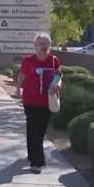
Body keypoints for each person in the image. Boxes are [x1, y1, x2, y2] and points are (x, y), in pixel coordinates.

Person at [16, 34, 62, 174]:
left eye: (46, 43)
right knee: (33, 130)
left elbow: (59, 77)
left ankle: (32, 155)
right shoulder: (28, 61)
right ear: (35, 46)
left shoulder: (53, 61)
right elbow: (22, 76)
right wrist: (18, 88)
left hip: (46, 101)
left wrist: (58, 85)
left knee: (39, 131)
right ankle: (37, 162)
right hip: (30, 100)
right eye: (41, 43)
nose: (44, 46)